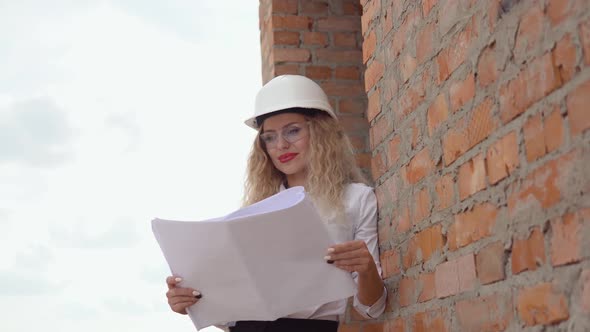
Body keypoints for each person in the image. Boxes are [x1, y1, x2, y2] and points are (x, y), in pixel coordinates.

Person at [165, 75, 386, 331]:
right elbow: (230, 314)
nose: (281, 145)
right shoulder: (251, 214)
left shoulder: (357, 199)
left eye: (293, 131)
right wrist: (192, 300)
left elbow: (373, 308)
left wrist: (367, 268)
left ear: (321, 131)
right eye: (269, 137)